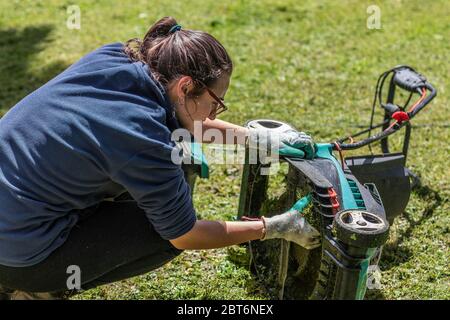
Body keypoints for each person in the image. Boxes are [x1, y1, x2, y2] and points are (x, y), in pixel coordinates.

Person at [0, 17, 320, 300]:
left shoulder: (115, 58)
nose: (215, 112)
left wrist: (257, 138)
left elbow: (189, 119)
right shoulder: (143, 141)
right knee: (162, 234)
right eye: (216, 102)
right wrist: (272, 227)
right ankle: (34, 288)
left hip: (14, 208)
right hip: (18, 257)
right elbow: (185, 234)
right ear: (185, 86)